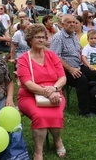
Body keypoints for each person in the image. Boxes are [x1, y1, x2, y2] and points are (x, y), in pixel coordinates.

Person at [16, 24, 67, 160]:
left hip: (55, 92)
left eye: (43, 37)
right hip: (29, 96)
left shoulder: (52, 55)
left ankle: (57, 141)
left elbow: (62, 77)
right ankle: (38, 151)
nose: (40, 40)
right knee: (39, 115)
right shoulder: (23, 59)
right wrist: (48, 92)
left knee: (57, 114)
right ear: (30, 40)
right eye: (37, 37)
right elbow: (27, 84)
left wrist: (55, 89)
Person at [51, 15, 96, 117]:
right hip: (64, 69)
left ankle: (95, 104)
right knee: (82, 80)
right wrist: (70, 69)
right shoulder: (58, 37)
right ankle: (84, 111)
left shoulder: (73, 35)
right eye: (69, 22)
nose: (72, 24)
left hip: (78, 65)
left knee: (95, 75)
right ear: (62, 24)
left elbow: (80, 50)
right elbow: (55, 57)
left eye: (74, 22)